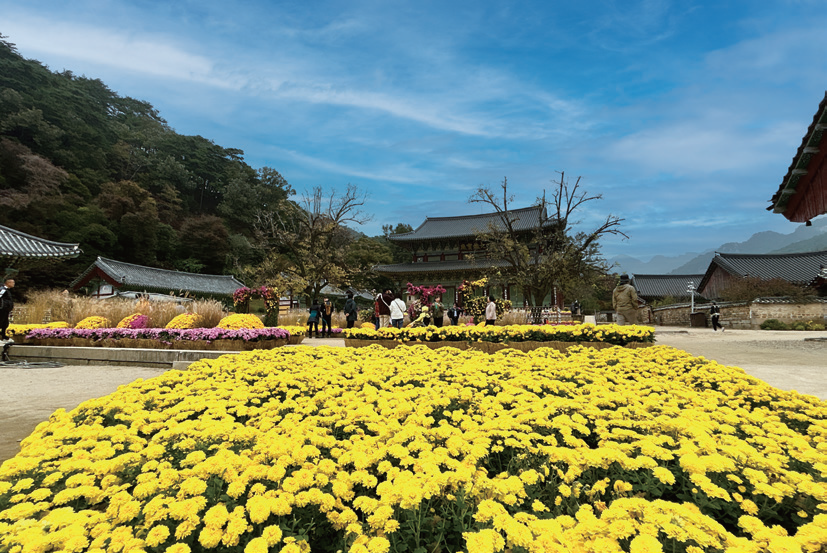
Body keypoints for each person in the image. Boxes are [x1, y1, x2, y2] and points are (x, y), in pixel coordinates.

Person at [0, 277, 14, 342]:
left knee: (5, 323)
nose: (14, 284)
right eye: (12, 282)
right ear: (8, 283)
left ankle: (4, 337)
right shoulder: (3, 289)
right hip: (2, 309)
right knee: (1, 322)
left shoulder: (7, 290)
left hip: (6, 310)